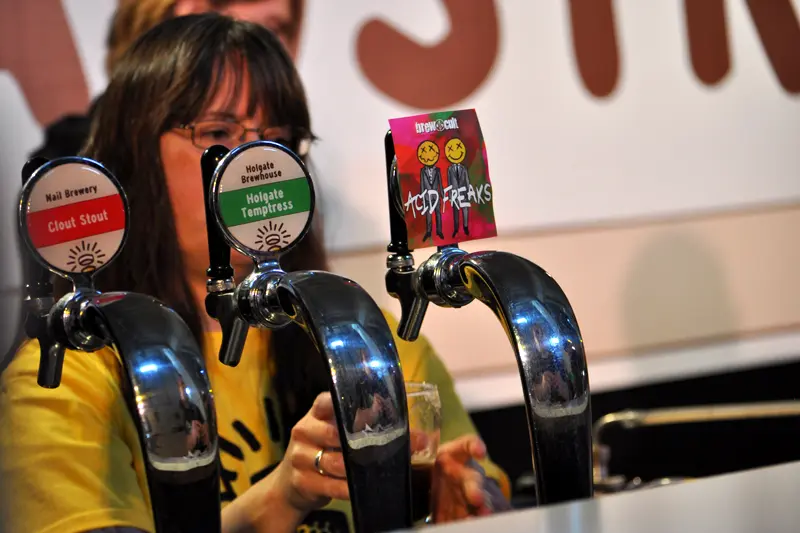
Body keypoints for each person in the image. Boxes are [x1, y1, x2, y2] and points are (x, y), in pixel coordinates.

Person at [0, 14, 510, 533]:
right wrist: (281, 498)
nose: (257, 163)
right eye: (217, 134)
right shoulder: (64, 376)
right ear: (134, 154)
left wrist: (466, 497)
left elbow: (472, 475)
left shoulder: (367, 338)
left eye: (279, 137)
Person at [30, 0, 305, 161]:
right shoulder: (73, 172)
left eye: (276, 30)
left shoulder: (286, 150)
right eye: (216, 133)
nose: (267, 51)